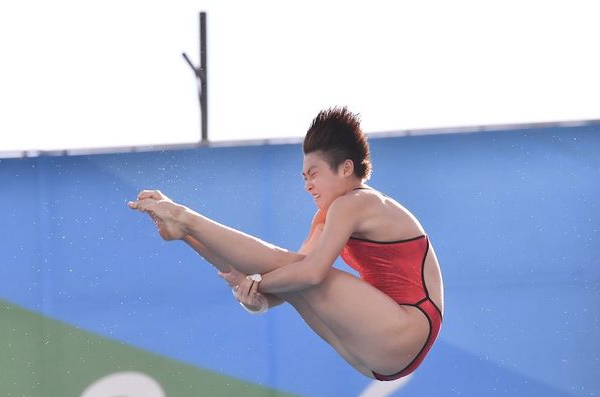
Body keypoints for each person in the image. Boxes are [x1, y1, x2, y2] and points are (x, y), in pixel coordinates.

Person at [128, 106, 443, 380]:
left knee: (293, 271)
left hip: (409, 327)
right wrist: (257, 299)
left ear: (346, 168)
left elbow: (312, 273)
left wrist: (259, 283)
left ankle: (185, 218)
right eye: (304, 176)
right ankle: (186, 233)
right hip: (379, 356)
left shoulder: (357, 202)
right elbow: (293, 279)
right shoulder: (326, 217)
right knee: (290, 277)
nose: (307, 185)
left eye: (314, 174)